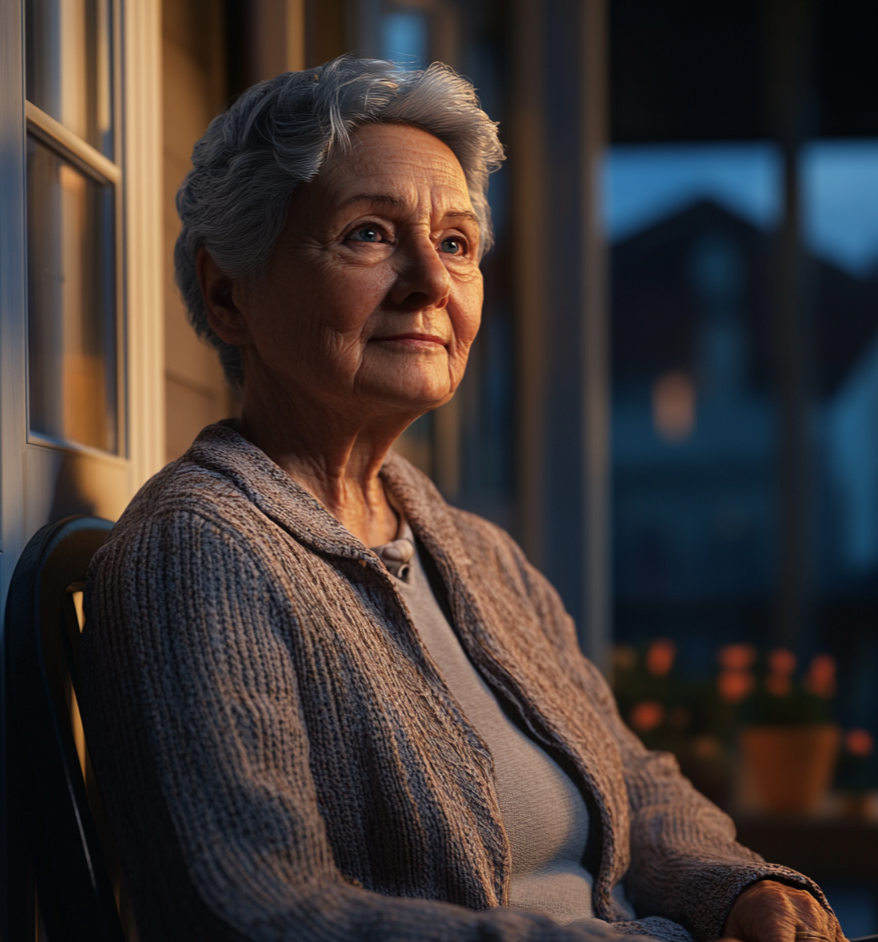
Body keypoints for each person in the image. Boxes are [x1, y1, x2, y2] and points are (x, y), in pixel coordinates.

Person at [80, 56, 844, 942]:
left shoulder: (476, 554)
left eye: (455, 243)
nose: (431, 282)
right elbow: (258, 913)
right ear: (227, 295)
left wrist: (741, 889)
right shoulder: (201, 551)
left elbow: (639, 782)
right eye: (369, 233)